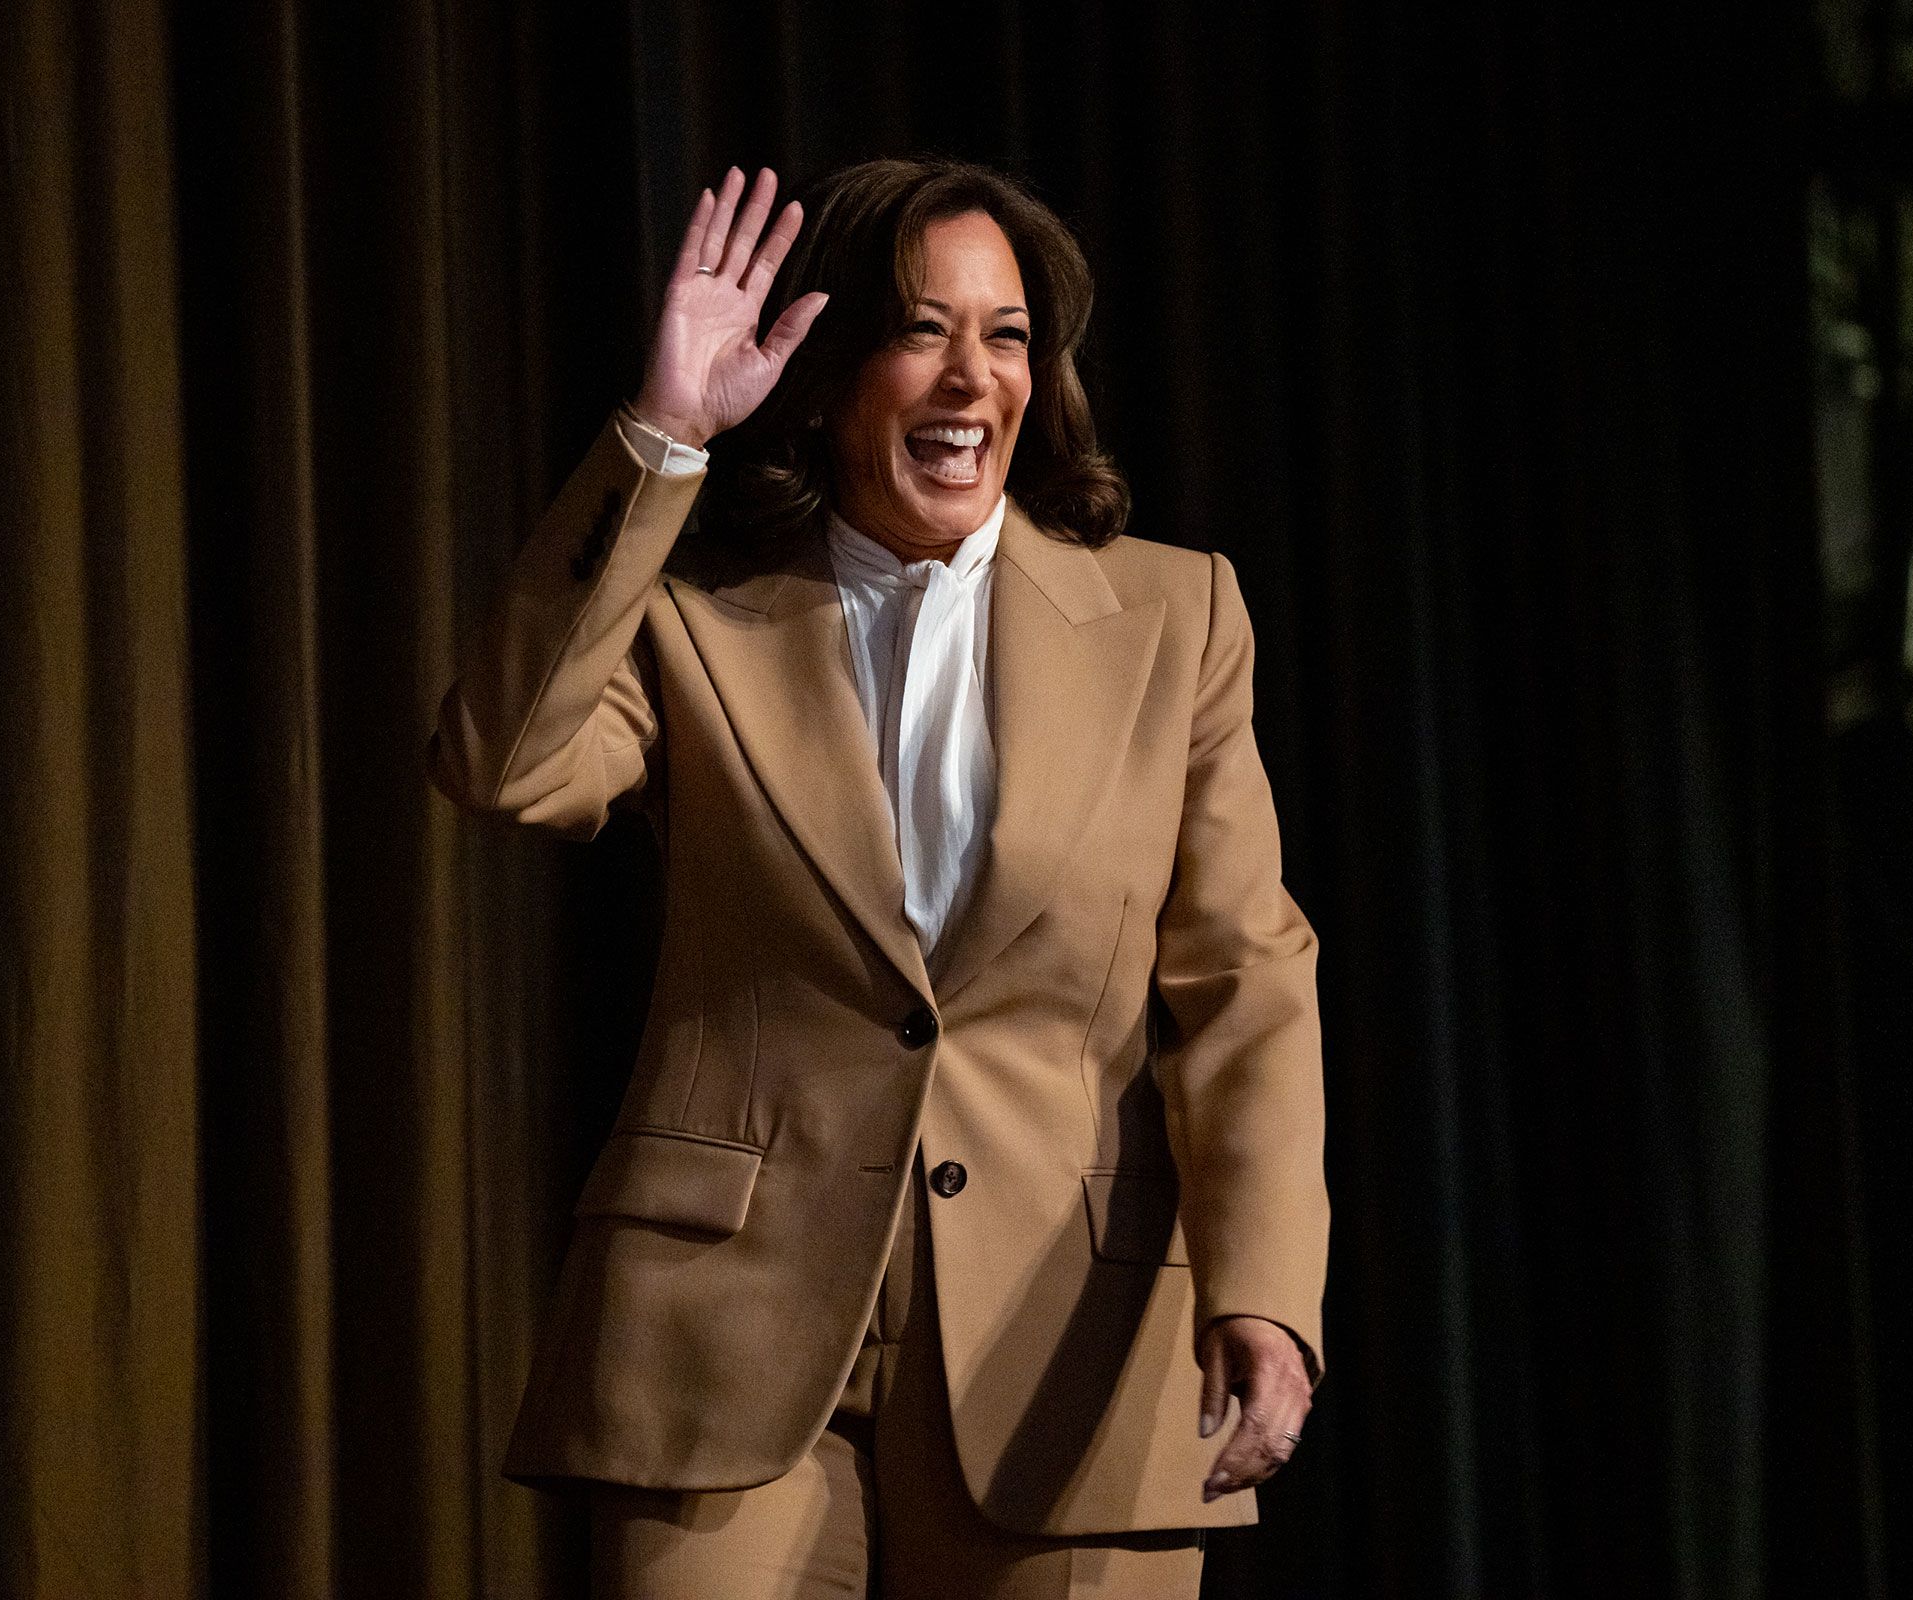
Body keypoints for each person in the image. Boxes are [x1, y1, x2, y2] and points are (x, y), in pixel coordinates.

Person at [426, 158, 1327, 1598]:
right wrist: (660, 439)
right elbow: (503, 761)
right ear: (830, 370)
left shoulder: (1175, 616)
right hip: (729, 1324)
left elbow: (1245, 976)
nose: (973, 375)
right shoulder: (696, 615)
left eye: (1009, 334)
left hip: (1064, 1332)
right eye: (921, 328)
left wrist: (1268, 1291)